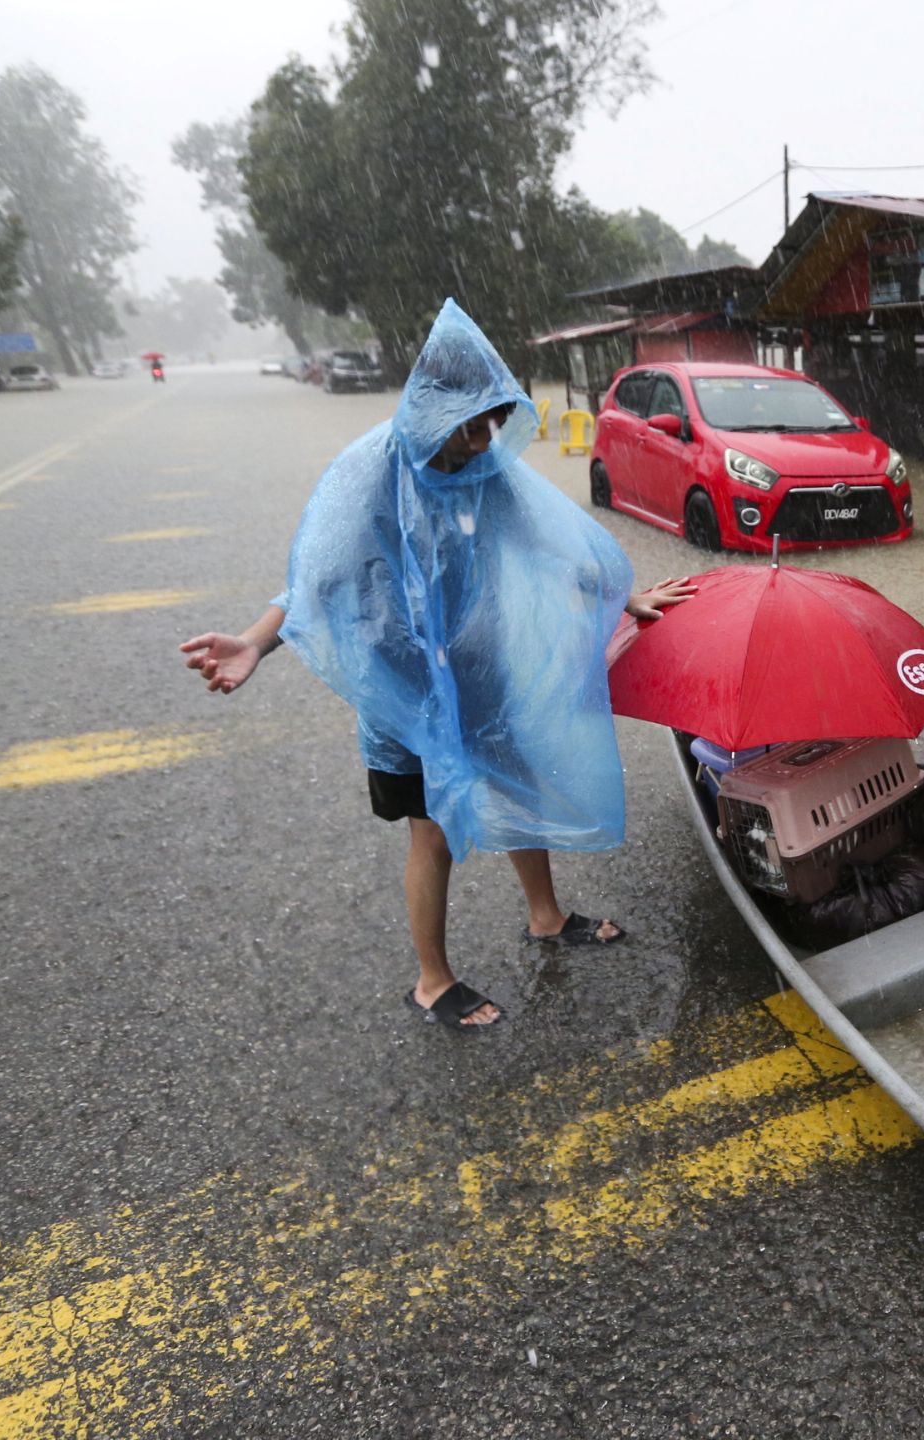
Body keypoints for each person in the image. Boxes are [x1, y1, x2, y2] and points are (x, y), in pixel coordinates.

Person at [180, 299, 691, 1031]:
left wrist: (621, 594)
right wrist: (256, 642)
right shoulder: (369, 476)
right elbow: (317, 584)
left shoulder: (482, 467)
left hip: (479, 669)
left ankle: (545, 916)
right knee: (433, 831)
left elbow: (548, 543)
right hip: (405, 691)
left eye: (492, 422)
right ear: (430, 409)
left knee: (520, 781)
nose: (485, 441)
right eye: (471, 423)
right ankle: (432, 979)